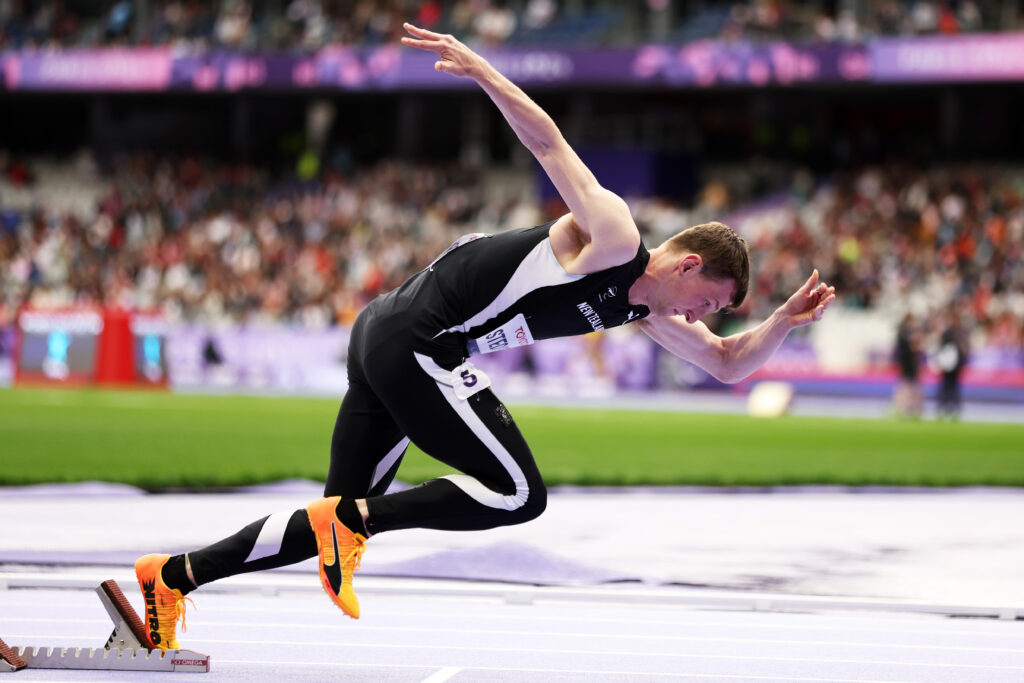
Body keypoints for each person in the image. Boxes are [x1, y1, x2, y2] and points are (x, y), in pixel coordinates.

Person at [133, 22, 836, 651]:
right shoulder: (614, 237)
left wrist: (780, 322)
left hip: (388, 334)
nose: (699, 317)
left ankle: (171, 577)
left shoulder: (644, 310)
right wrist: (483, 70)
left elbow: (725, 365)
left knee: (331, 517)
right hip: (419, 341)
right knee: (516, 492)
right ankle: (354, 524)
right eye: (706, 301)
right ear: (687, 265)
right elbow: (548, 143)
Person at [935, 310, 968, 420]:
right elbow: (943, 349)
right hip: (948, 365)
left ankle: (952, 409)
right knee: (947, 386)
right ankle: (944, 409)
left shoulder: (958, 333)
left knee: (952, 387)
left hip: (955, 365)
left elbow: (963, 350)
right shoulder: (952, 333)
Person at [893, 313, 923, 418]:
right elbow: (914, 346)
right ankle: (908, 409)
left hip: (908, 363)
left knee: (909, 387)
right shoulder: (906, 334)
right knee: (909, 387)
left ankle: (907, 409)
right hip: (909, 363)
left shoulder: (903, 333)